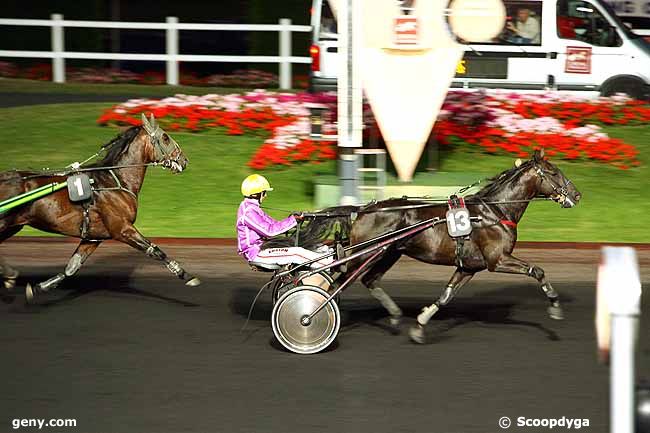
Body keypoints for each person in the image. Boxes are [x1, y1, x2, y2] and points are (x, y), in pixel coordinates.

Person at [236, 174, 336, 269]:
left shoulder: (253, 208)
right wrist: (293, 220)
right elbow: (270, 231)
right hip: (256, 253)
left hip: (263, 247)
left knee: (302, 244)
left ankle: (328, 253)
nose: (265, 195)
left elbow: (274, 224)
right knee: (296, 253)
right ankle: (330, 265)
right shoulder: (248, 212)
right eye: (264, 192)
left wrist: (294, 219)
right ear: (256, 194)